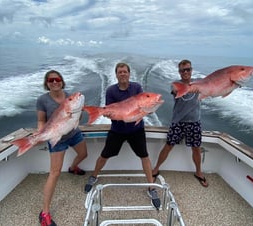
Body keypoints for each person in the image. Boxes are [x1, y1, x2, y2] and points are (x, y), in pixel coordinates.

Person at [84, 62, 161, 209]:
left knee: (144, 156)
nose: (123, 74)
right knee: (105, 155)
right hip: (117, 130)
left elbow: (144, 107)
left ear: (129, 73)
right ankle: (93, 176)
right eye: (120, 72)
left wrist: (148, 110)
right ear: (116, 74)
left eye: (125, 71)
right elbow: (111, 113)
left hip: (136, 130)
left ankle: (151, 187)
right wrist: (107, 114)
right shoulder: (111, 91)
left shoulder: (137, 88)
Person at [37, 70, 88, 226]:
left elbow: (77, 118)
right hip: (56, 138)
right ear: (47, 83)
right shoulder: (42, 100)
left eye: (57, 79)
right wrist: (40, 134)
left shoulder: (69, 96)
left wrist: (78, 112)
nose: (54, 82)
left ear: (62, 81)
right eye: (50, 80)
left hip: (74, 134)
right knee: (55, 173)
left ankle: (73, 168)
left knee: (84, 154)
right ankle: (44, 213)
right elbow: (41, 121)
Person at [152, 59, 208, 187]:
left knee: (196, 149)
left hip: (194, 122)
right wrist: (189, 89)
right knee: (168, 146)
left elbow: (212, 86)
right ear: (179, 72)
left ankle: (199, 172)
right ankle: (156, 168)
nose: (186, 72)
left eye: (188, 69)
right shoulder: (175, 84)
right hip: (178, 122)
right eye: (183, 70)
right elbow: (175, 91)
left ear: (191, 70)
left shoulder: (199, 83)